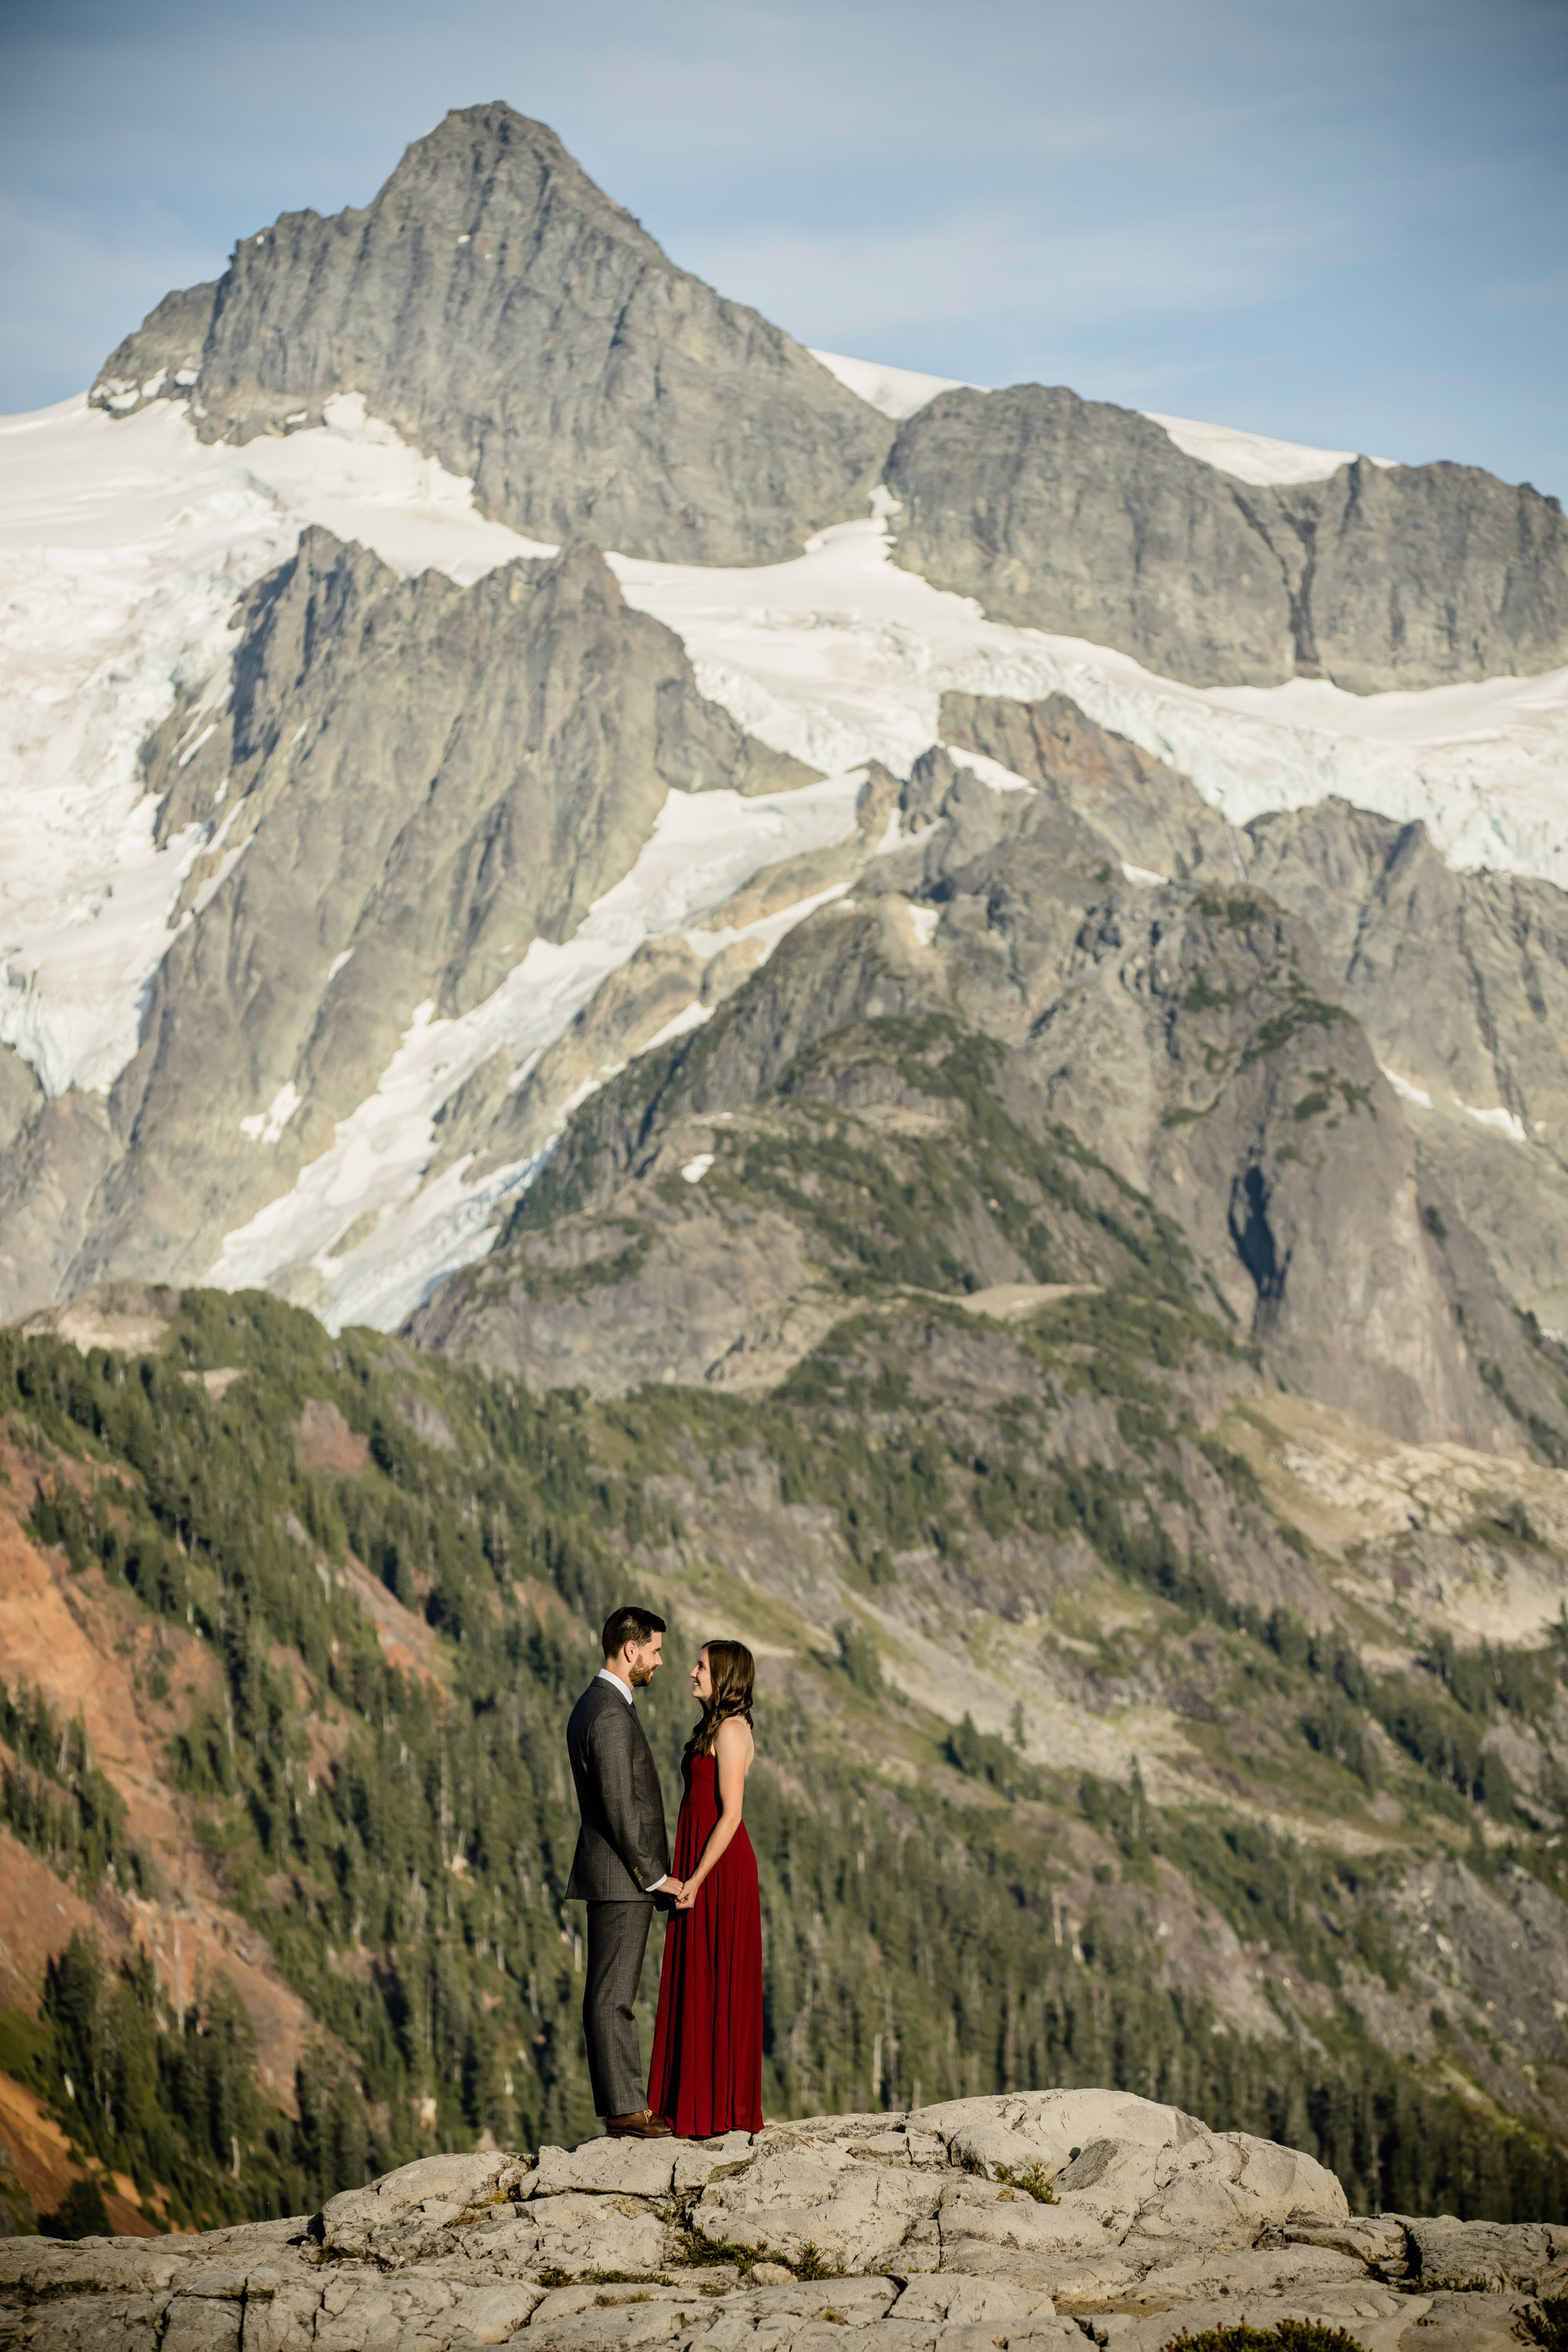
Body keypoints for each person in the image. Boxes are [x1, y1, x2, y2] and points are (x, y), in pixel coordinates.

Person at [564, 1606, 681, 2140]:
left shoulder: (599, 1704)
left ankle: (627, 2106)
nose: (659, 1661)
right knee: (613, 1995)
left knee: (611, 1992)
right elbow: (620, 1806)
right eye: (655, 1650)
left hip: (617, 1878)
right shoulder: (609, 1713)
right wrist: (655, 1876)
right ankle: (627, 2111)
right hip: (622, 1880)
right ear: (630, 1650)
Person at [647, 1639, 764, 2136]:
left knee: (718, 1979)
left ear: (725, 1677)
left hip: (719, 1871)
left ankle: (720, 2111)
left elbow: (732, 1814)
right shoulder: (712, 1728)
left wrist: (695, 1877)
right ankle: (690, 2103)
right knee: (696, 1978)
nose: (691, 1672)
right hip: (700, 1863)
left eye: (701, 1666)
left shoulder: (733, 1731)